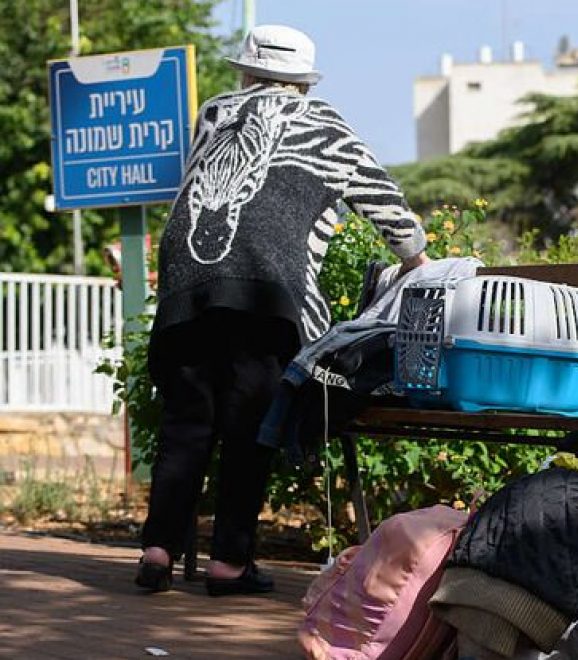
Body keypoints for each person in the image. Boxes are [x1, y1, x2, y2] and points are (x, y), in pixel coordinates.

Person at [135, 24, 428, 596]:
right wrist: (416, 255)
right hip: (267, 288)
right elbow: (381, 198)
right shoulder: (326, 125)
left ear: (245, 71)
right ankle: (228, 564)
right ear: (302, 82)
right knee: (249, 426)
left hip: (187, 282)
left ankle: (157, 550)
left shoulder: (215, 113)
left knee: (187, 424)